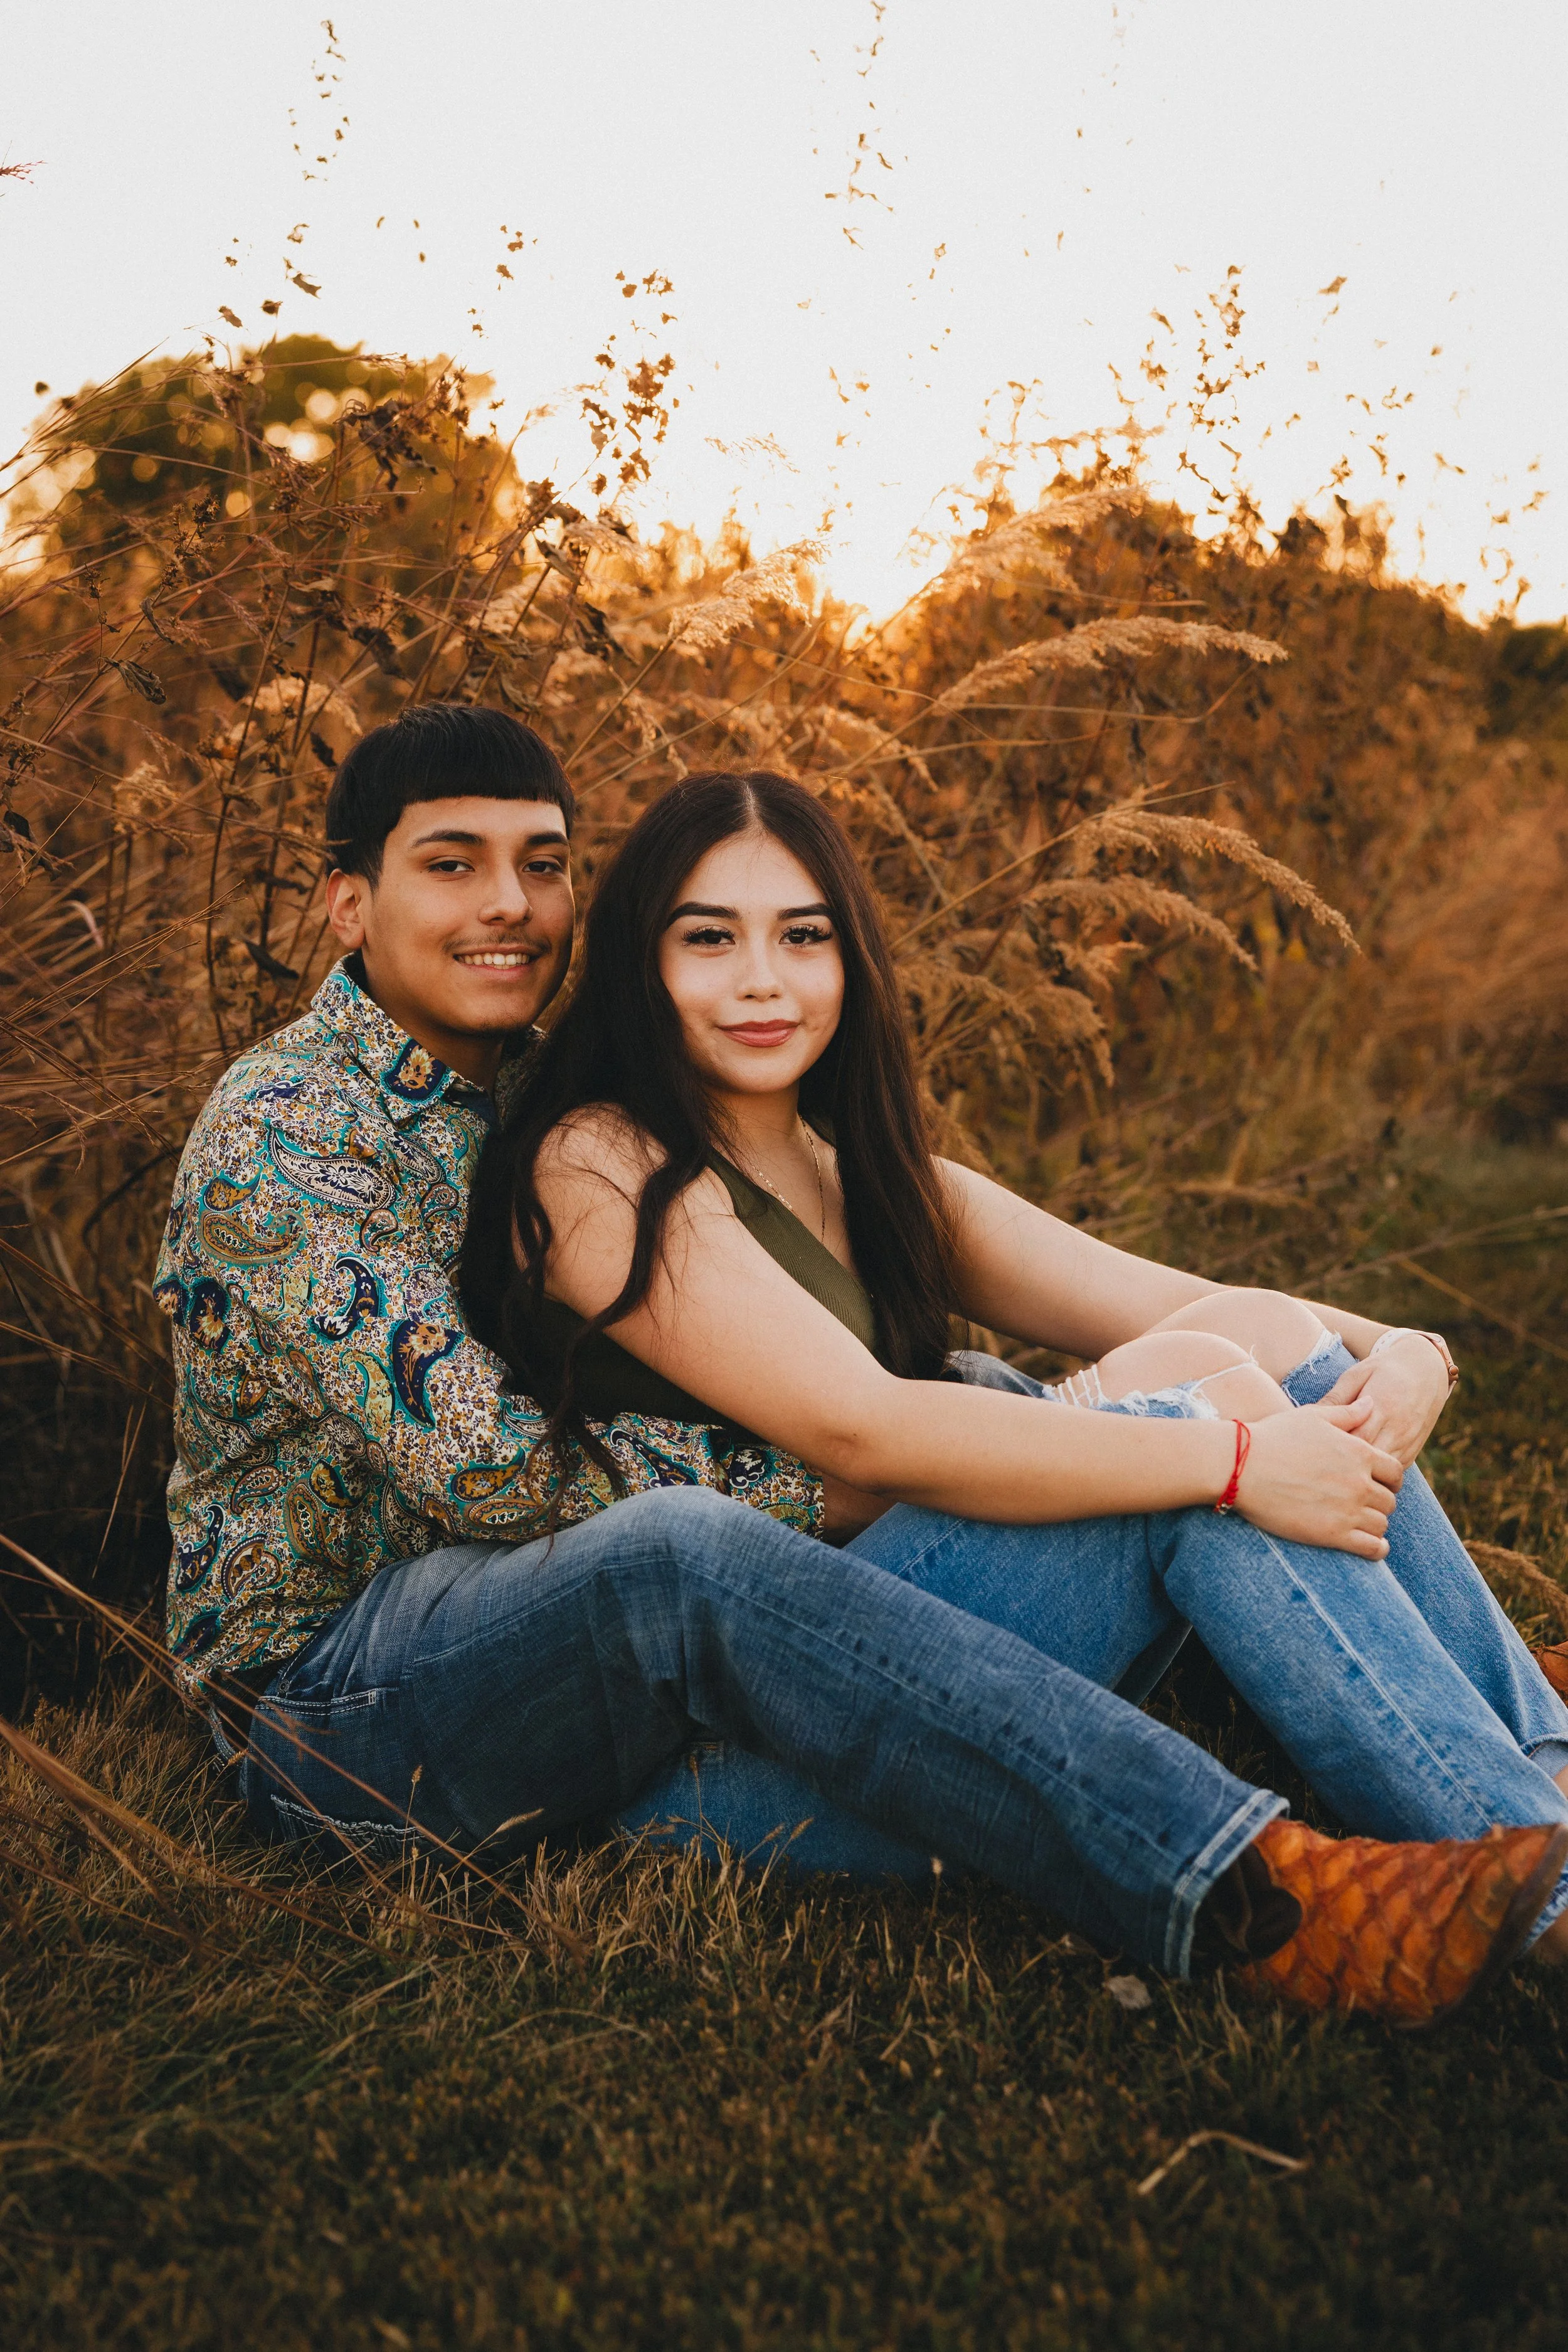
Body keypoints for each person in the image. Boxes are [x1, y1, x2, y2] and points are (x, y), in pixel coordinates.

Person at [154, 709, 1567, 2032]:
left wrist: (1395, 1350)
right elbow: (496, 1472)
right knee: (712, 1543)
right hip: (345, 1694)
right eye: (450, 866)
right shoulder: (289, 1134)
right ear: (348, 902)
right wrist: (910, 1461)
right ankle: (1273, 1891)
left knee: (1195, 1387)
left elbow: (1135, 1328)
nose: (509, 905)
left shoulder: (551, 1092)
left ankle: (1529, 1764)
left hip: (649, 1669)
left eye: (541, 864)